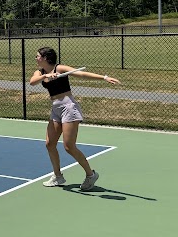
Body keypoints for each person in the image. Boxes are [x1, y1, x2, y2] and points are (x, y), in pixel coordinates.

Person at [29, 46, 120, 191]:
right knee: (49, 144)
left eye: (37, 56)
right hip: (56, 108)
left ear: (45, 58)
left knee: (69, 146)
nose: (36, 58)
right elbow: (32, 82)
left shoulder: (60, 68)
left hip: (69, 107)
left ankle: (90, 175)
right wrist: (46, 76)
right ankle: (58, 176)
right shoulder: (40, 72)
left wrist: (104, 77)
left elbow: (81, 74)